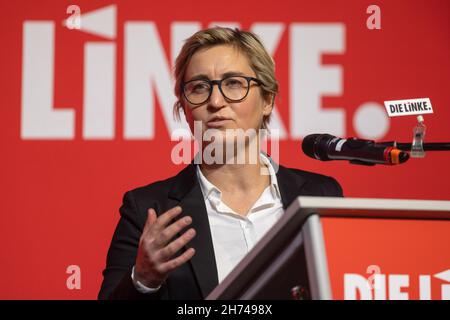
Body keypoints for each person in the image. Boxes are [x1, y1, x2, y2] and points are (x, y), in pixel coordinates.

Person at [98, 27, 343, 300]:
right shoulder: (149, 210)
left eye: (234, 83)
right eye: (199, 87)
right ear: (184, 109)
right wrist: (143, 279)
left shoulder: (320, 195)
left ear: (267, 100)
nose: (215, 101)